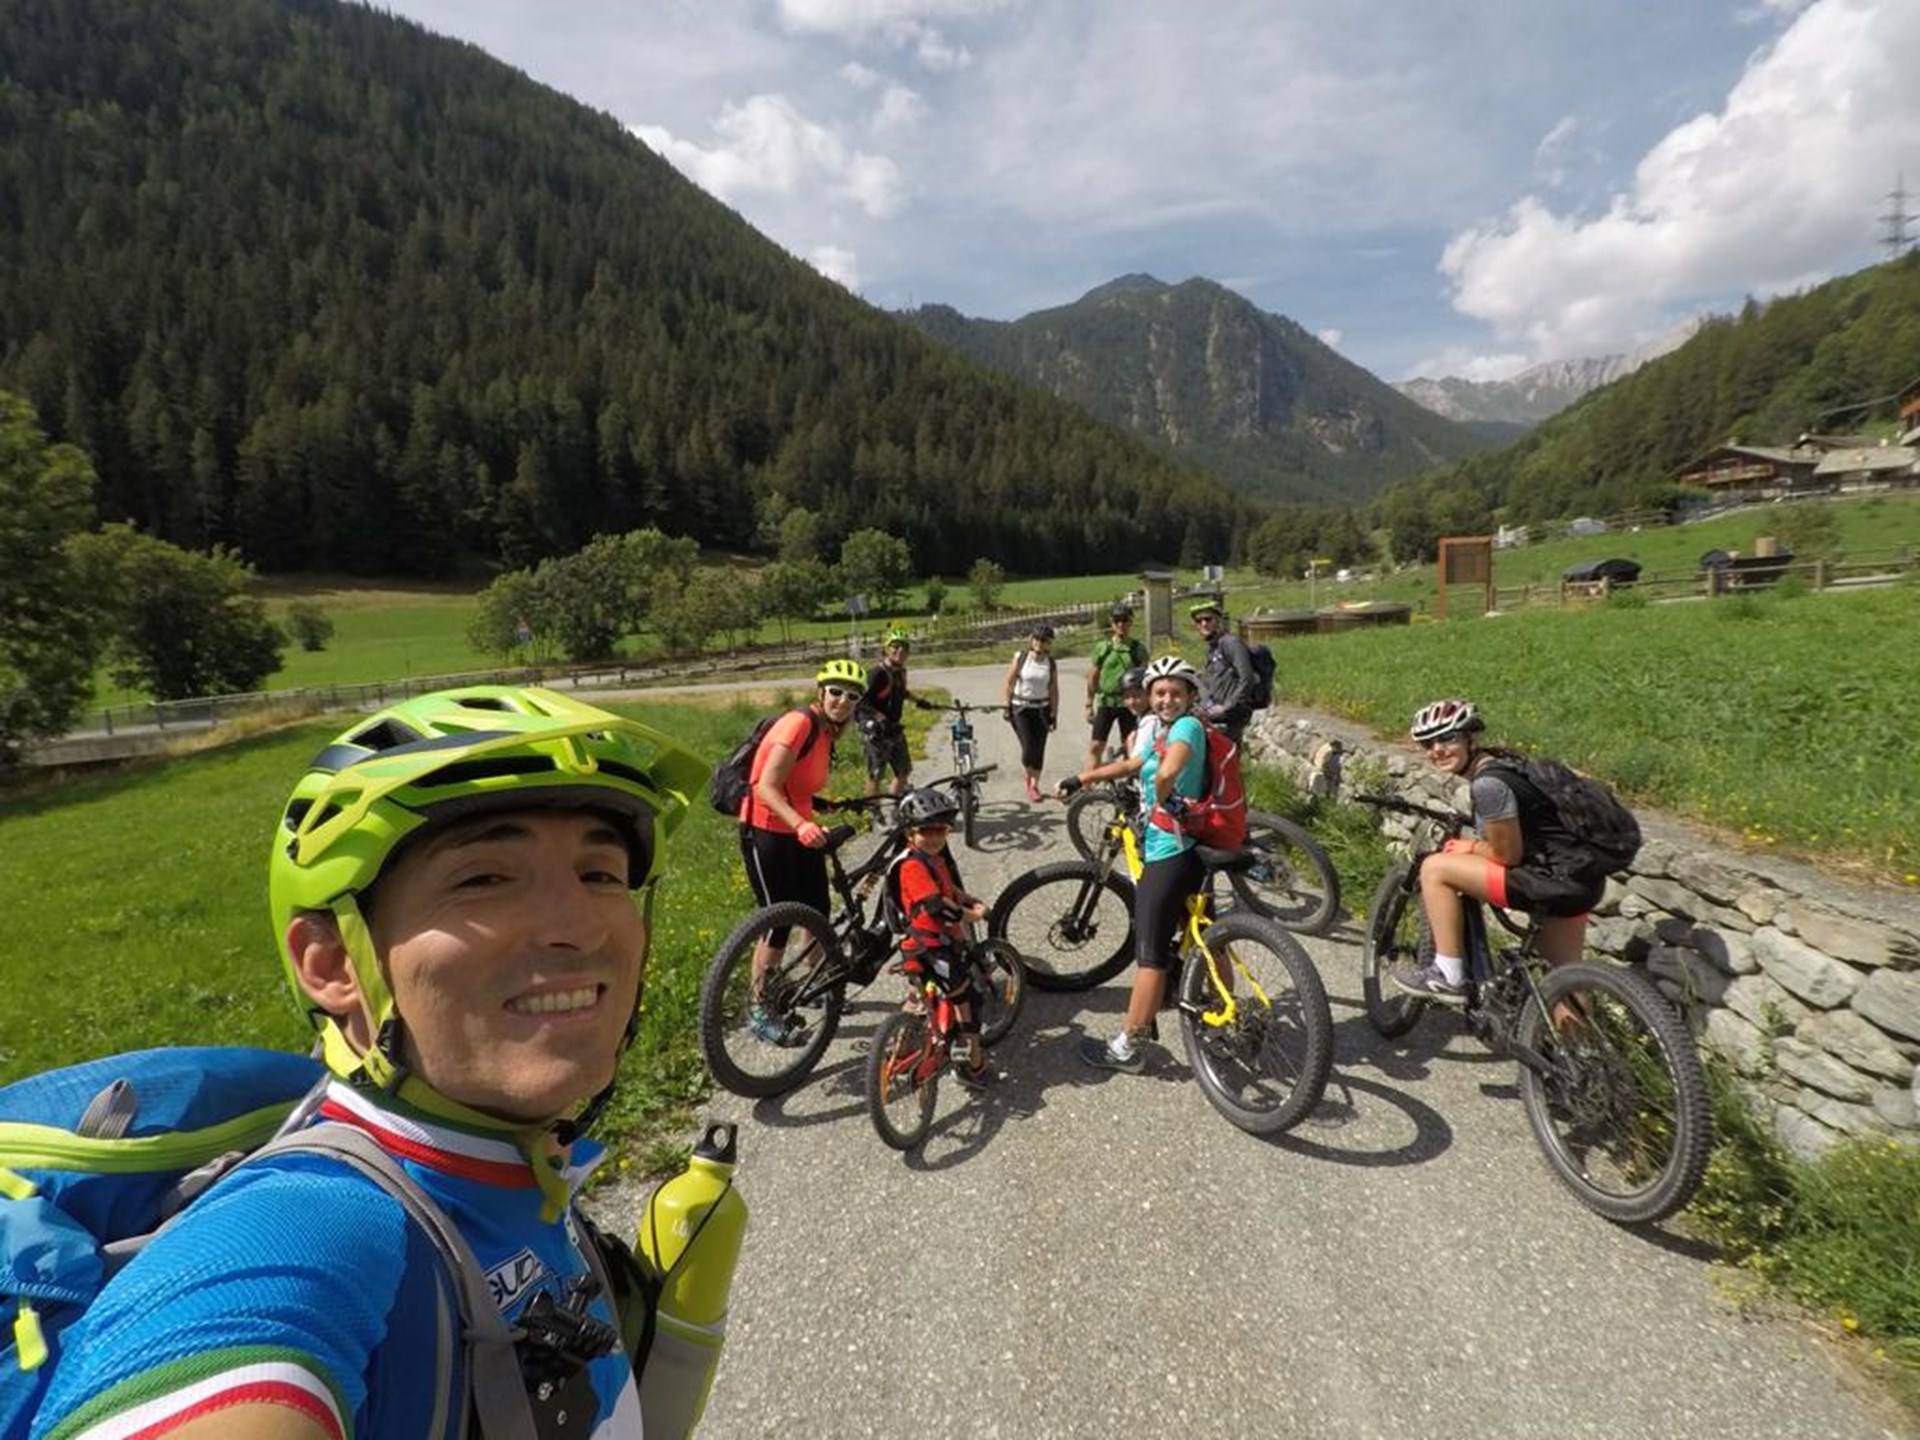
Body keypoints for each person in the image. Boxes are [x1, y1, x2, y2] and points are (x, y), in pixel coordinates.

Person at [31, 684, 710, 1440]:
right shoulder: (310, 1224)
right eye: (484, 878)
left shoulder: (512, 1160)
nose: (580, 926)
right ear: (333, 965)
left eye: (600, 874)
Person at [1392, 698, 1608, 1004]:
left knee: (1434, 868)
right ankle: (1573, 1036)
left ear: (1471, 738)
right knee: (1564, 984)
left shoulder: (1489, 785)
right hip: (1582, 877)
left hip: (1548, 883)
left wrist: (1470, 846)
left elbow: (1507, 856)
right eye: (1428, 744)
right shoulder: (1510, 763)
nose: (1436, 749)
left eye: (1448, 738)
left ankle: (1448, 975)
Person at [1056, 656, 1210, 1074]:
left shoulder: (1185, 727)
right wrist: (1082, 778)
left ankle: (1128, 1047)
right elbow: (1132, 763)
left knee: (1151, 954)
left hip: (1169, 851)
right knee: (1204, 933)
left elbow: (1169, 769)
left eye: (1175, 692)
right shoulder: (1161, 729)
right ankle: (1219, 1010)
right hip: (1191, 847)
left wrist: (1162, 795)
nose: (1166, 699)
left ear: (1190, 696)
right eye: (1159, 693)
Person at [739, 657, 867, 1043]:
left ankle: (815, 985)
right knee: (778, 921)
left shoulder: (827, 731)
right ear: (820, 692)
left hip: (798, 828)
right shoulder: (799, 723)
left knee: (816, 912)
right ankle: (759, 1008)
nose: (843, 701)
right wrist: (801, 824)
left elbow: (796, 783)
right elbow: (765, 786)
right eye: (836, 692)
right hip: (766, 830)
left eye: (853, 696)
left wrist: (822, 805)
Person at [890, 787, 997, 1090]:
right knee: (965, 998)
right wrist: (973, 915)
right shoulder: (912, 867)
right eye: (927, 831)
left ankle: (899, 1047)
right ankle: (972, 1064)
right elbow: (939, 907)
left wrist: (967, 897)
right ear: (909, 833)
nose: (936, 836)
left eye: (942, 830)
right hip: (933, 947)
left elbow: (948, 890)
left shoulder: (931, 858)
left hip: (919, 945)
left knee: (920, 997)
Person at [857, 627, 937, 801]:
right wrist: (878, 717)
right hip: (876, 730)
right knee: (876, 774)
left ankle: (895, 807)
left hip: (893, 727)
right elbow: (860, 701)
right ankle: (874, 810)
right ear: (886, 648)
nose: (900, 650)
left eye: (904, 647)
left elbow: (900, 691)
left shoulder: (900, 672)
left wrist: (919, 701)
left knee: (904, 770)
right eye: (895, 646)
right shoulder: (877, 673)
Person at [1084, 604, 1149, 768]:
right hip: (1106, 702)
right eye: (1117, 620)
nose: (1121, 624)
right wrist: (1089, 703)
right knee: (1096, 746)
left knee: (1130, 746)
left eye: (1125, 620)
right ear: (1112, 623)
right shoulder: (1103, 647)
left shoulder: (1138, 649)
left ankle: (1130, 780)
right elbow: (1093, 676)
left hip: (1129, 704)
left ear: (1130, 622)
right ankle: (1088, 781)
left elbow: (1146, 679)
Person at [1002, 622, 1059, 801]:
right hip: (1021, 708)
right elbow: (1009, 682)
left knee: (1039, 748)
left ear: (1049, 643)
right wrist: (1006, 706)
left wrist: (1054, 713)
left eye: (1044, 640)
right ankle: (1029, 777)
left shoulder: (1050, 662)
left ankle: (1034, 785)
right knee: (1028, 748)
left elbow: (1053, 689)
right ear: (1032, 640)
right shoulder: (1021, 657)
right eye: (1037, 639)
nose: (1040, 643)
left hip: (1042, 709)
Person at [1189, 598, 1257, 744]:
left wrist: (1227, 706)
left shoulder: (1231, 643)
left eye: (1208, 619)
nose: (1204, 624)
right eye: (1199, 621)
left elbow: (1247, 678)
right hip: (1216, 715)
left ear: (1218, 620)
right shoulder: (1213, 648)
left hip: (1232, 717)